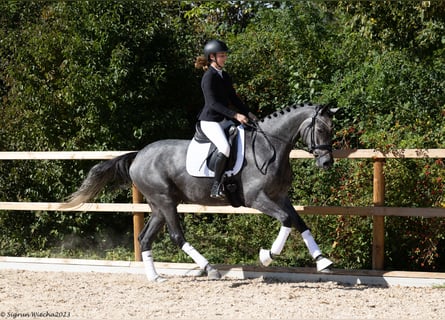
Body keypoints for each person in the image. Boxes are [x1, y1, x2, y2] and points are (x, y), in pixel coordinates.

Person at [195, 39, 258, 199]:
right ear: (212, 57)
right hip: (210, 121)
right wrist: (236, 115)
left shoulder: (224, 75)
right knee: (225, 147)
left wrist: (250, 114)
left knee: (246, 137)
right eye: (221, 55)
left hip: (224, 119)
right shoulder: (208, 77)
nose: (225, 58)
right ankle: (216, 186)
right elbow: (213, 103)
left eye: (224, 55)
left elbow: (234, 99)